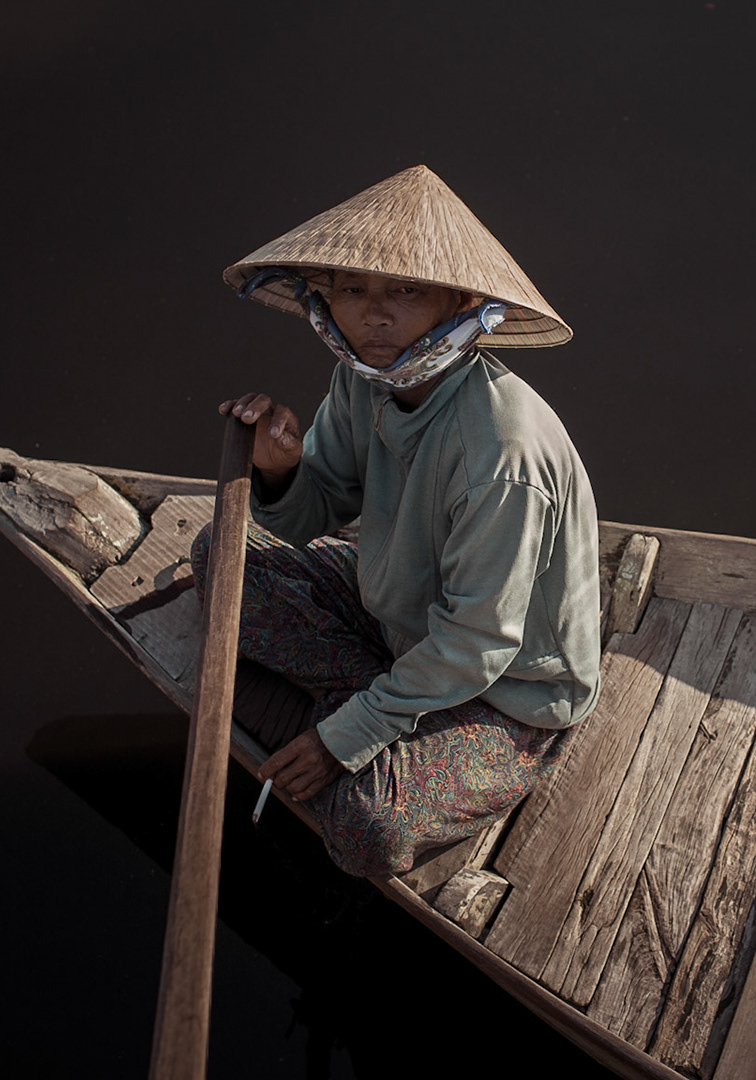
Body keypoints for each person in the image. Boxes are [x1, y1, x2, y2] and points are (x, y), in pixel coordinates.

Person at [191, 165, 600, 877]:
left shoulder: (502, 453)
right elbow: (323, 508)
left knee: (364, 829)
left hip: (509, 686)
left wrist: (340, 739)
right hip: (404, 620)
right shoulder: (363, 378)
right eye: (354, 291)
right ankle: (389, 695)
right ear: (328, 300)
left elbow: (478, 645)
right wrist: (282, 467)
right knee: (219, 558)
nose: (375, 316)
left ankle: (433, 722)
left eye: (406, 292)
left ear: (459, 303)